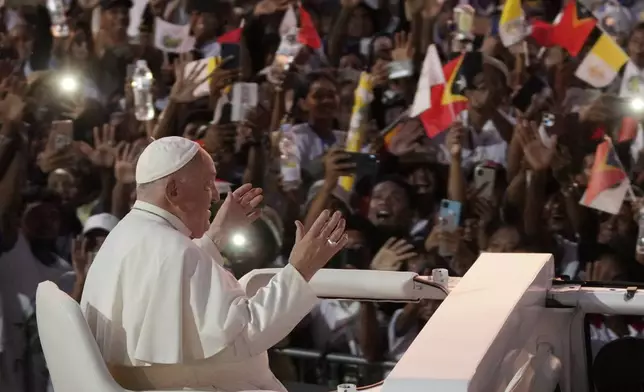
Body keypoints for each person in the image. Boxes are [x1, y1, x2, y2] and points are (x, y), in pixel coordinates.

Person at [80, 136, 348, 391]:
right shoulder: (175, 248)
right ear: (173, 190)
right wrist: (300, 270)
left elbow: (173, 284)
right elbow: (245, 334)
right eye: (207, 184)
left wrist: (215, 237)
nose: (215, 197)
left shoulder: (126, 234)